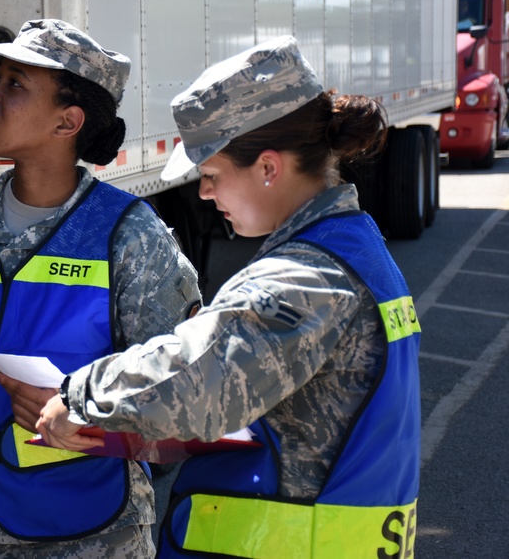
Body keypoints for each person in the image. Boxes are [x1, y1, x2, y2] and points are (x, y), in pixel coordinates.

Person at [32, 36, 422, 558]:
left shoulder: (301, 278)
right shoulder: (357, 246)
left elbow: (196, 382)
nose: (204, 193)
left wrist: (77, 397)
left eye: (211, 175)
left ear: (267, 168)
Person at [0, 19, 201, 558]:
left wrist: (85, 408)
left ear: (68, 122)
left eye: (14, 84)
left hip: (86, 534)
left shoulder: (128, 237)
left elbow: (185, 396)